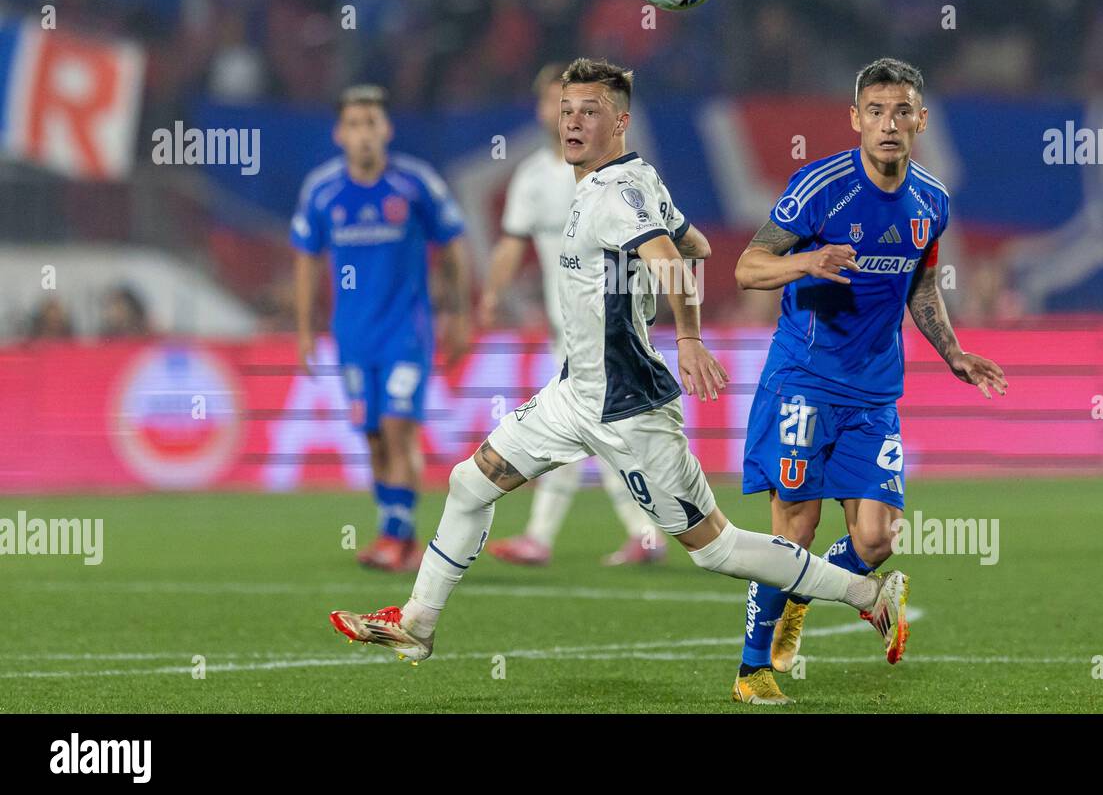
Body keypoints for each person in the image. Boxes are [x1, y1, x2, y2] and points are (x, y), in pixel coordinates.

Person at [328, 58, 909, 681]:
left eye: (591, 112)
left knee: (715, 549)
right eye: (566, 110)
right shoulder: (631, 179)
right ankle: (418, 623)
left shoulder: (611, 195)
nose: (572, 122)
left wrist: (687, 336)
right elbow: (696, 243)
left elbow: (671, 259)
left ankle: (868, 596)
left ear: (621, 121)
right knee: (471, 482)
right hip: (573, 393)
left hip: (628, 406)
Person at [729, 57, 1008, 705]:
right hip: (803, 378)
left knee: (878, 541)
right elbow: (747, 267)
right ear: (856, 119)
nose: (889, 123)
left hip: (875, 392)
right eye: (876, 111)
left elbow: (922, 283)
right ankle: (752, 671)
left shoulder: (931, 202)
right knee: (792, 533)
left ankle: (802, 598)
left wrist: (952, 350)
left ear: (921, 120)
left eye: (902, 111)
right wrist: (807, 261)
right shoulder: (820, 187)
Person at [479, 62, 666, 567]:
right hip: (568, 333)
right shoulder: (533, 177)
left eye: (579, 107)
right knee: (583, 431)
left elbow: (661, 241)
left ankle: (651, 531)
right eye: (555, 105)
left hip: (611, 331)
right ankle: (639, 532)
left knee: (584, 431)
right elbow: (512, 242)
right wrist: (493, 293)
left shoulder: (615, 177)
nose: (563, 116)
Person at [292, 85, 470, 572]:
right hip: (352, 336)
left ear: (386, 130)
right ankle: (396, 534)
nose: (364, 133)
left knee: (397, 429)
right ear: (339, 133)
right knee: (372, 436)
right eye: (354, 124)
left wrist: (461, 313)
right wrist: (305, 329)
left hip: (406, 333)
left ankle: (397, 537)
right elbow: (306, 261)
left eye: (372, 123)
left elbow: (453, 245)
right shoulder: (322, 190)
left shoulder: (415, 184)